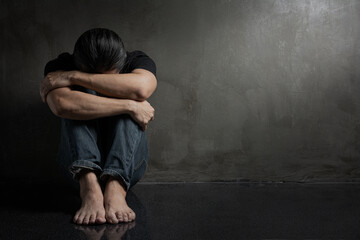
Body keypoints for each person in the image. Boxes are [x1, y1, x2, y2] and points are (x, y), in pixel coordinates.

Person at [40, 28, 157, 225]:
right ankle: (89, 188)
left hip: (130, 166)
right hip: (75, 167)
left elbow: (141, 88)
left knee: (130, 93)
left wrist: (72, 77)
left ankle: (117, 185)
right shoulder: (60, 65)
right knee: (78, 101)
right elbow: (62, 105)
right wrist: (130, 106)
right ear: (76, 62)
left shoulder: (135, 60)